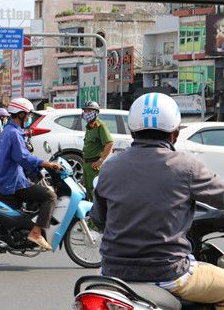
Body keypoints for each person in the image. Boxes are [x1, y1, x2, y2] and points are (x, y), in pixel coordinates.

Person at [91, 93, 224, 309]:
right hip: (169, 273)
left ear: (132, 131)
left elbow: (99, 219)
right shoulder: (187, 167)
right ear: (175, 134)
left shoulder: (110, 167)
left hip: (112, 273)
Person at [0, 97, 62, 251]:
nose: (29, 118)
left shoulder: (9, 131)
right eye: (28, 115)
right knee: (50, 196)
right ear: (21, 114)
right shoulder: (14, 133)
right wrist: (47, 164)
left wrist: (36, 168)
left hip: (4, 177)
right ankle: (36, 233)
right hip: (12, 182)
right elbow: (22, 157)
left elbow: (19, 157)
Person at [80, 100, 113, 200]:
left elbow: (109, 143)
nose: (86, 113)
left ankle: (98, 214)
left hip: (94, 164)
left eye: (89, 110)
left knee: (95, 191)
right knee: (86, 189)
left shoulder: (100, 126)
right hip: (86, 164)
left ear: (96, 112)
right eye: (85, 111)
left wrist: (101, 160)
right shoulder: (89, 127)